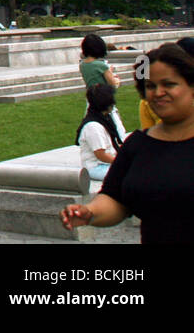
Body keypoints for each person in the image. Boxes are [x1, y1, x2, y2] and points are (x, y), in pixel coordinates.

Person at [61, 43, 194, 243]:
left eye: (169, 84)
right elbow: (115, 199)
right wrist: (90, 212)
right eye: (150, 86)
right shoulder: (138, 145)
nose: (158, 93)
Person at [77, 83, 126, 181]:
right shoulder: (93, 126)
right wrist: (122, 162)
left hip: (107, 164)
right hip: (97, 167)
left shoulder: (105, 119)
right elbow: (100, 155)